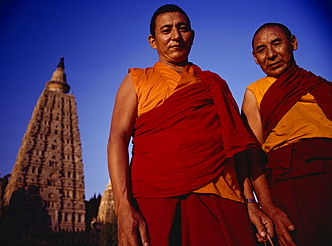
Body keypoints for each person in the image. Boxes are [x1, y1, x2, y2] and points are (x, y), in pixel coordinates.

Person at [108, 4, 273, 246]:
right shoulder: (136, 80)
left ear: (192, 36)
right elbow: (117, 138)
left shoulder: (214, 83)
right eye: (166, 30)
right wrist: (122, 209)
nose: (175, 36)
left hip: (220, 194)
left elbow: (236, 149)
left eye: (182, 28)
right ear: (153, 41)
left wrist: (251, 202)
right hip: (154, 196)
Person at [242, 23, 332, 246]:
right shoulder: (255, 92)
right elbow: (253, 158)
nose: (271, 55)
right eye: (261, 49)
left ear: (293, 43)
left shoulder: (325, 88)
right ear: (255, 57)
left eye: (277, 44)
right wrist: (268, 208)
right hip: (292, 181)